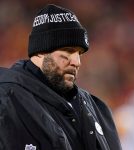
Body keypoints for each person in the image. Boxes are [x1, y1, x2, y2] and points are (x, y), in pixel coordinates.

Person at [0, 4, 122, 150]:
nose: (77, 62)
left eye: (79, 53)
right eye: (68, 51)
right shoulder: (6, 99)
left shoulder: (97, 109)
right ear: (41, 51)